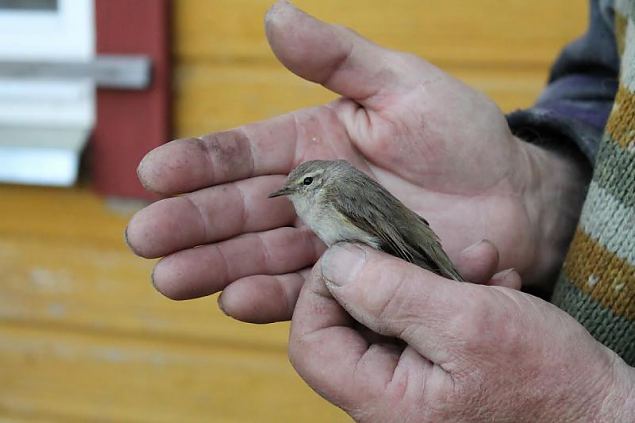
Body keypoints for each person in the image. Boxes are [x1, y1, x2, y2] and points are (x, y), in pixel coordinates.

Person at [125, 0, 634, 420]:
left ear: (319, 182)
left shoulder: (338, 192)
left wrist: (597, 405)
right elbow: (605, 76)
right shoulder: (321, 196)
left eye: (303, 186)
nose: (298, 196)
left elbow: (387, 233)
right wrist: (549, 184)